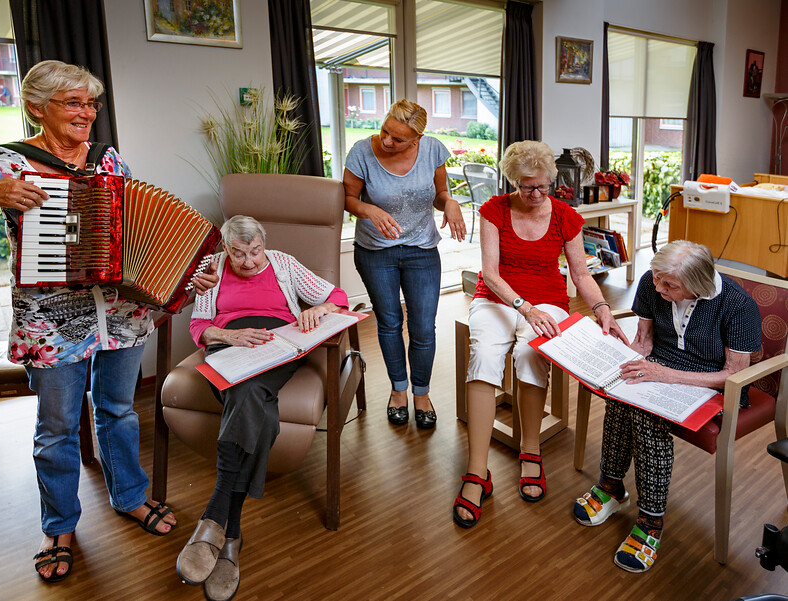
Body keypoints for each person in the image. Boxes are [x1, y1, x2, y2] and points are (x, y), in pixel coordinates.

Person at [0, 59, 176, 583]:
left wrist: (171, 272)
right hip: (51, 320)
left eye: (92, 103)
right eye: (73, 102)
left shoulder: (109, 159)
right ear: (35, 107)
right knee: (58, 426)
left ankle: (129, 495)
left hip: (121, 313)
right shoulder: (3, 163)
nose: (87, 112)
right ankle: (59, 525)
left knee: (118, 411)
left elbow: (131, 231)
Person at [453, 140, 627, 528]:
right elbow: (491, 274)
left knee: (531, 354)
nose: (536, 194)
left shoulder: (565, 215)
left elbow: (581, 275)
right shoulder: (494, 210)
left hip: (548, 298)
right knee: (484, 356)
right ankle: (477, 470)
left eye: (543, 186)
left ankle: (530, 451)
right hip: (499, 297)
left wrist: (602, 309)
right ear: (513, 182)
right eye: (527, 187)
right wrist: (523, 308)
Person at [178, 215, 348, 601]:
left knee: (248, 393)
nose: (249, 261)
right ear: (226, 249)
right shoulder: (213, 269)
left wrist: (316, 311)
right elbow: (199, 326)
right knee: (253, 400)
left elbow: (336, 297)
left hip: (278, 347)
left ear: (263, 244)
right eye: (239, 254)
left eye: (255, 252)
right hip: (229, 349)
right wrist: (229, 335)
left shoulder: (283, 263)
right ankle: (231, 533)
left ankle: (215, 519)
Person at [572, 240, 761, 573]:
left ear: (698, 286)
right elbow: (643, 341)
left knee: (646, 416)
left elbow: (736, 374)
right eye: (657, 278)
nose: (657, 287)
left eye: (669, 284)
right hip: (661, 366)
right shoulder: (651, 282)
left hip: (712, 384)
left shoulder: (737, 305)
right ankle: (611, 486)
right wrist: (619, 363)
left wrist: (666, 375)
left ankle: (650, 520)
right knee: (620, 396)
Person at [342, 99, 466, 430]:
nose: (386, 141)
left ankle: (421, 394)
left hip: (422, 249)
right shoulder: (361, 152)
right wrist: (370, 210)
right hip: (375, 251)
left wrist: (450, 202)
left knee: (424, 327)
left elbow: (440, 194)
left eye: (397, 139)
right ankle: (399, 391)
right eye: (385, 131)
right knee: (389, 323)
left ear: (417, 139)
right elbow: (348, 198)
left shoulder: (433, 151)